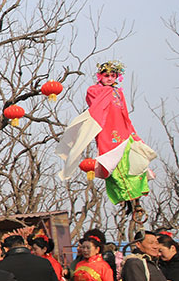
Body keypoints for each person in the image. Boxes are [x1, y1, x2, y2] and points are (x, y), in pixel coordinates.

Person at [57, 60, 156, 218]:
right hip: (107, 134)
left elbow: (125, 115)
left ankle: (136, 202)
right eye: (106, 75)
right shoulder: (94, 90)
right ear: (100, 76)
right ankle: (127, 201)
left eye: (112, 75)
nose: (109, 78)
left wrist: (133, 134)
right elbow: (93, 102)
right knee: (116, 168)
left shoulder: (119, 93)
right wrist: (109, 90)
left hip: (124, 133)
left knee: (135, 165)